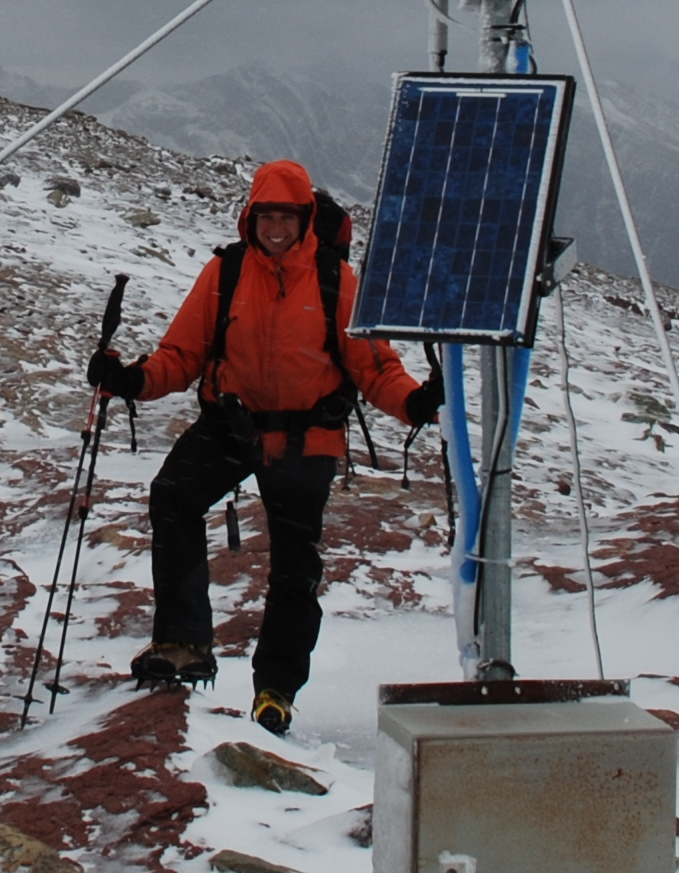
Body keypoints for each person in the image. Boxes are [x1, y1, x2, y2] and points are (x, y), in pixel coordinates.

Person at [86, 158, 440, 737]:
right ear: (250, 218)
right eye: (266, 217)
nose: (276, 228)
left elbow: (374, 367)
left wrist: (414, 404)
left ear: (305, 220)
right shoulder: (225, 272)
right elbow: (182, 354)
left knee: (294, 564)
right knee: (173, 496)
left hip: (307, 436)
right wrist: (132, 380)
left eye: (286, 217)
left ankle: (276, 689)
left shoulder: (335, 279)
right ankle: (182, 644)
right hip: (230, 424)